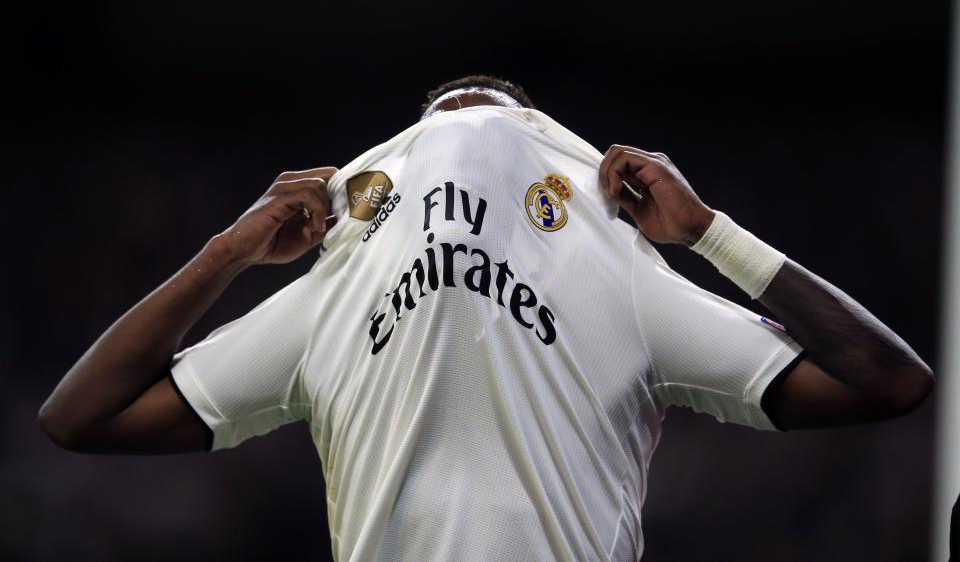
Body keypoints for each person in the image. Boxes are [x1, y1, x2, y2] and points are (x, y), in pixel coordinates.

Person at [39, 74, 935, 561]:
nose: (468, 122)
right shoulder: (329, 292)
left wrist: (708, 233)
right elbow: (78, 416)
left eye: (497, 108)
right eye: (446, 111)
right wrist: (226, 253)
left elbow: (890, 379)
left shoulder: (621, 273)